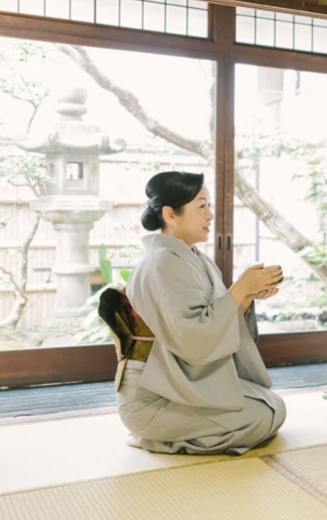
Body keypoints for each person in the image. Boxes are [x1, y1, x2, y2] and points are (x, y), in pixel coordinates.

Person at [117, 171, 286, 455]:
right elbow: (193, 336)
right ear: (171, 215)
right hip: (156, 395)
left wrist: (245, 297)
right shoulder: (162, 264)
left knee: (273, 404)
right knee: (263, 416)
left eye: (209, 205)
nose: (210, 215)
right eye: (202, 206)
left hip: (183, 382)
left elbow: (215, 319)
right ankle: (155, 437)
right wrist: (239, 288)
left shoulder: (198, 261)